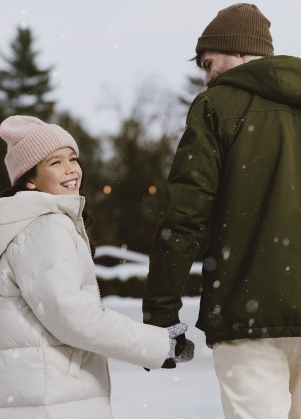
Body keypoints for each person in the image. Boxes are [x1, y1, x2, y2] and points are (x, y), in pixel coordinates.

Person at [142, 3, 301, 418]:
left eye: (208, 62)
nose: (206, 76)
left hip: (245, 308)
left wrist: (161, 311)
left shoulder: (215, 107)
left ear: (235, 50)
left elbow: (184, 215)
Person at [0, 115, 192, 419]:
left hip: (37, 393)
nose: (70, 169)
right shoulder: (45, 227)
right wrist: (158, 344)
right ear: (30, 179)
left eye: (72, 158)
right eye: (55, 162)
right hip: (54, 400)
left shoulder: (21, 225)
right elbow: (72, 316)